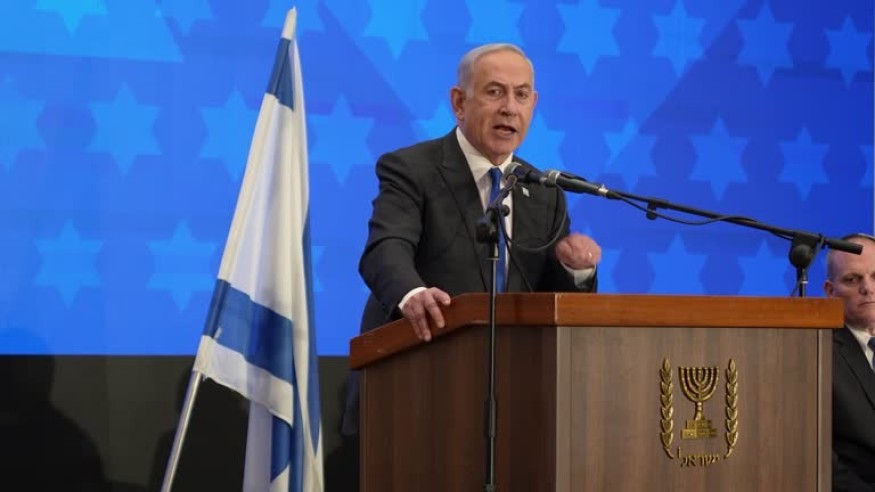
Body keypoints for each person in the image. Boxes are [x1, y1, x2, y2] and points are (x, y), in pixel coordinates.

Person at [340, 42, 601, 440]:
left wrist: (576, 272)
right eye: (495, 92)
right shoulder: (412, 169)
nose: (509, 108)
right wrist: (412, 294)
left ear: (533, 105)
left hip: (514, 403)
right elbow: (385, 248)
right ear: (459, 102)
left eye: (522, 95)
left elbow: (550, 302)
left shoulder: (545, 192)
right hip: (415, 388)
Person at [824, 233, 875, 491]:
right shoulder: (819, 354)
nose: (868, 288)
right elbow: (821, 457)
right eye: (852, 279)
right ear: (830, 291)